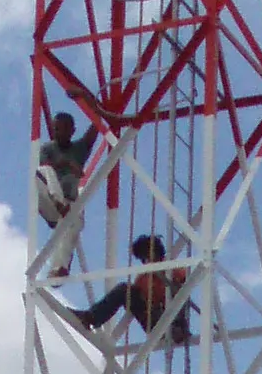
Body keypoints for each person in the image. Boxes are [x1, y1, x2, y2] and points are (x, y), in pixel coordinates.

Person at [68, 234, 195, 346]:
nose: (146, 261)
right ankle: (91, 317)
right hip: (155, 319)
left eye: (147, 256)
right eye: (143, 259)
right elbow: (138, 301)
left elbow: (186, 283)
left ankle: (177, 329)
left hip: (173, 316)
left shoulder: (174, 269)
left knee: (178, 291)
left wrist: (165, 274)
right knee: (124, 289)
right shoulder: (143, 279)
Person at [33, 112, 93, 241]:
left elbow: (95, 129)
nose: (57, 132)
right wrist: (66, 163)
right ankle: (59, 203)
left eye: (62, 129)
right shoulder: (47, 148)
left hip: (70, 205)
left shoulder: (79, 149)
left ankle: (60, 261)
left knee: (77, 186)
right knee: (43, 171)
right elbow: (44, 168)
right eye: (56, 129)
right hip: (51, 203)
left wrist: (96, 108)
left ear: (72, 131)